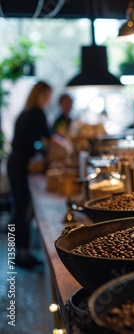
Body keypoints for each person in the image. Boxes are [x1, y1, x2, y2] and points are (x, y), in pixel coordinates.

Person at [8, 81, 53, 269]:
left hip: (15, 162)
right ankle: (20, 255)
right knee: (22, 210)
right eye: (49, 95)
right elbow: (49, 136)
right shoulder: (37, 112)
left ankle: (21, 253)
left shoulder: (26, 112)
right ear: (42, 94)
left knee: (20, 209)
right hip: (20, 164)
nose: (50, 99)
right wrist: (66, 145)